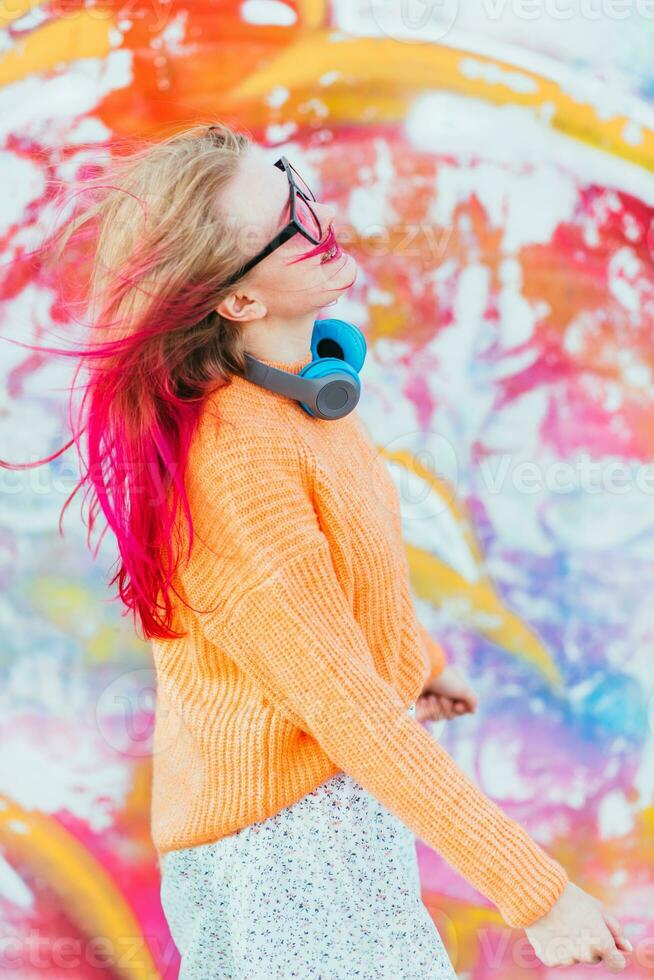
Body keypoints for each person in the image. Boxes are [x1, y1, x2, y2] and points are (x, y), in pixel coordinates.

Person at [0, 121, 632, 977]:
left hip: (313, 827)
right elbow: (345, 710)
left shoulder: (301, 397)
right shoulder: (241, 459)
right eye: (287, 223)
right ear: (240, 302)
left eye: (294, 184)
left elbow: (332, 594)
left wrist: (412, 658)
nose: (317, 217)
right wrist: (541, 895)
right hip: (288, 854)